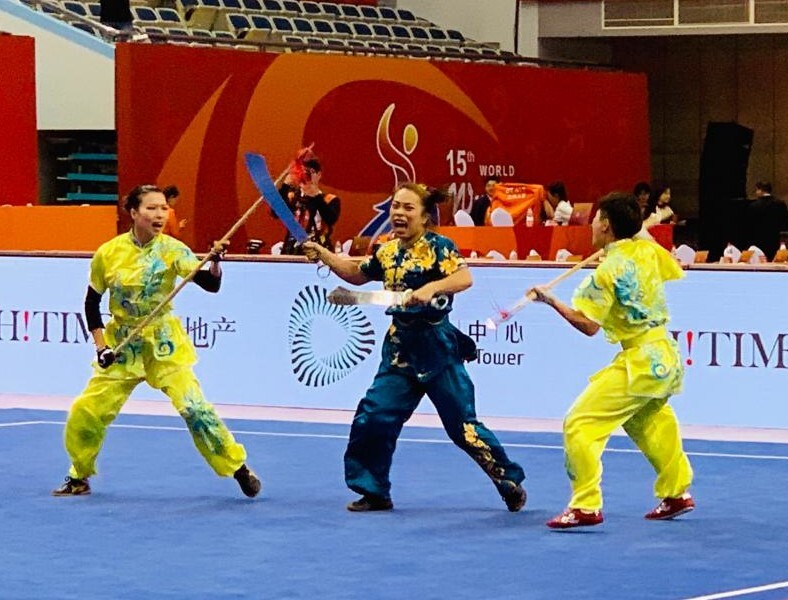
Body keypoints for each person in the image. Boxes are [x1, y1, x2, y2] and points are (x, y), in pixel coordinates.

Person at [302, 182, 526, 513]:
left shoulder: (440, 247)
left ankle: (508, 481)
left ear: (424, 217)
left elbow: (464, 279)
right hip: (399, 351)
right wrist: (324, 254)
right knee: (373, 417)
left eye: (408, 208)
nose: (398, 213)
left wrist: (434, 286)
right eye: (395, 206)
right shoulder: (387, 250)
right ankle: (374, 490)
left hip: (438, 348)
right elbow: (356, 273)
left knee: (463, 428)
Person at [52, 185, 261, 498]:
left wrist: (215, 262)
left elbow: (209, 285)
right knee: (86, 410)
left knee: (195, 409)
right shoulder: (108, 253)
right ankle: (78, 475)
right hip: (122, 345)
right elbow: (91, 303)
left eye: (163, 208)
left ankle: (238, 468)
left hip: (165, 346)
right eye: (151, 208)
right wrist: (101, 347)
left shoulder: (174, 251)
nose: (160, 214)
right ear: (134, 213)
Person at [528, 192, 693, 529]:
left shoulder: (605, 273)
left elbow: (588, 325)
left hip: (640, 361)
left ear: (605, 224)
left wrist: (550, 300)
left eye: (595, 218)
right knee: (648, 422)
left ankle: (586, 505)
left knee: (580, 424)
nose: (590, 224)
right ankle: (677, 493)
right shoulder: (647, 251)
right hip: (665, 356)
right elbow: (674, 269)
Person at [277, 149, 340, 255]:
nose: (307, 176)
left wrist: (316, 196)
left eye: (311, 172)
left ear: (319, 174)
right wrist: (285, 186)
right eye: (304, 172)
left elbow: (331, 219)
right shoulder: (292, 197)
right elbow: (276, 213)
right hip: (291, 251)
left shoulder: (330, 199)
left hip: (319, 250)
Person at [744, 181, 788, 260]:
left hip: (758, 240)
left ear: (760, 190)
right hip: (775, 238)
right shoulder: (780, 204)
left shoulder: (754, 206)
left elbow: (749, 226)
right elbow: (784, 223)